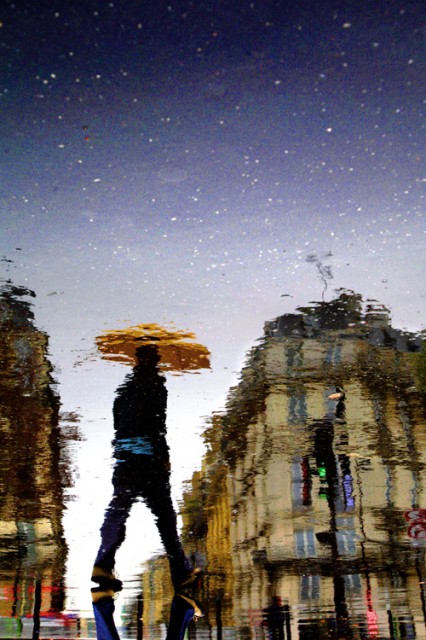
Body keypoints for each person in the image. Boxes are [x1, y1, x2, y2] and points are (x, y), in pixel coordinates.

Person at [91, 342, 201, 639]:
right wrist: (163, 456)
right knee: (164, 516)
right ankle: (181, 571)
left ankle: (103, 564)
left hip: (125, 458)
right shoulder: (157, 385)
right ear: (153, 361)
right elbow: (158, 423)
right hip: (149, 457)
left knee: (119, 509)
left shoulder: (123, 390)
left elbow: (117, 421)